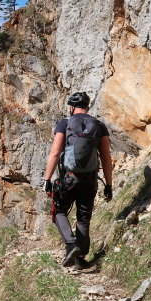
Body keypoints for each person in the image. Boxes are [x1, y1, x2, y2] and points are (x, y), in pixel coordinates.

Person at [42, 92, 113, 270]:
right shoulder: (99, 125)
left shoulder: (65, 124)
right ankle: (81, 260)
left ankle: (71, 244)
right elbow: (105, 157)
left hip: (69, 178)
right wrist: (109, 185)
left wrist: (47, 179)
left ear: (72, 107)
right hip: (90, 180)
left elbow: (55, 153)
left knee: (58, 211)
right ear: (87, 106)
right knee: (83, 218)